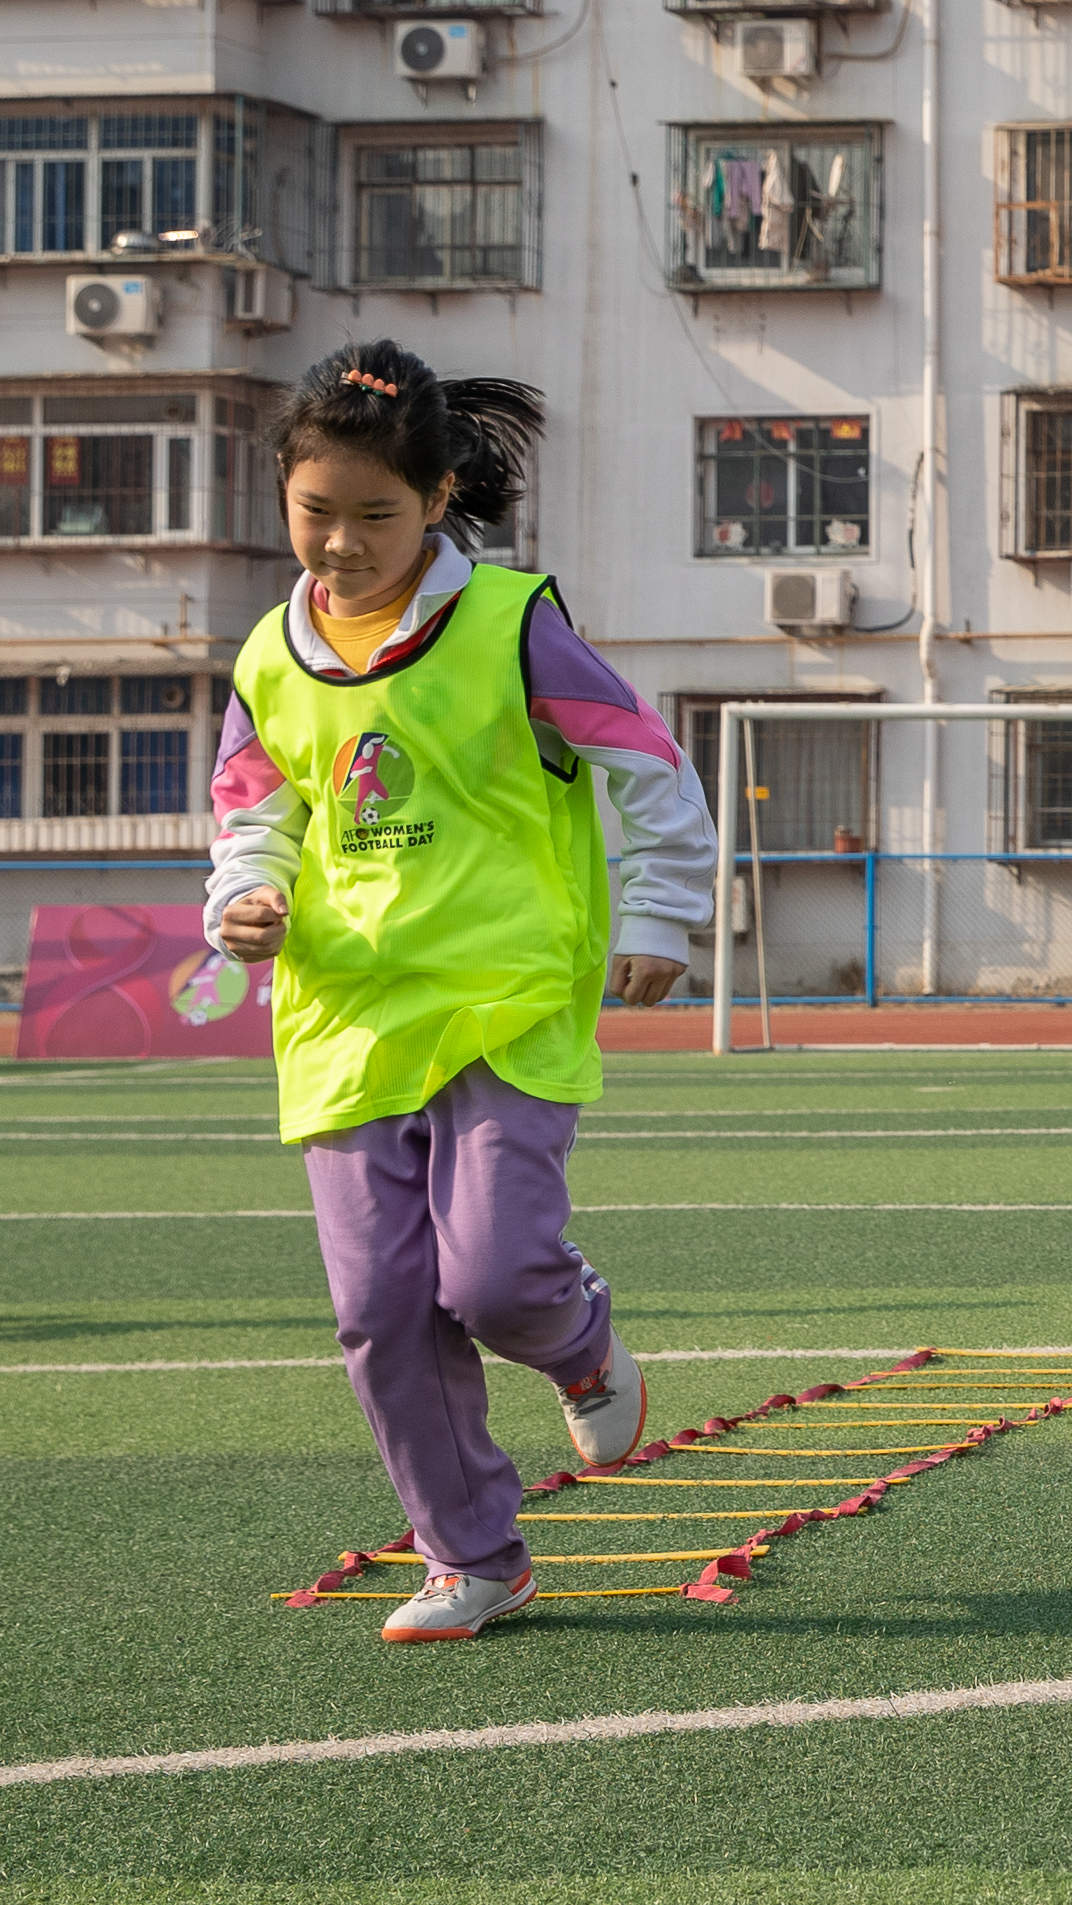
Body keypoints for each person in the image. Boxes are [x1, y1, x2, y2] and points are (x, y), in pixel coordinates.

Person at [205, 346, 714, 1644]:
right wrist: (242, 901)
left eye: (375, 513)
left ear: (436, 500)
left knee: (490, 1280)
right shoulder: (271, 655)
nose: (342, 542)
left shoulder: (511, 620)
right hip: (344, 1016)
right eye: (316, 512)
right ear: (282, 497)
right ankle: (473, 1557)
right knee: (380, 1310)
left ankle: (584, 1344)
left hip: (505, 998)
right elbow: (252, 809)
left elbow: (647, 766)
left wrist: (659, 910)